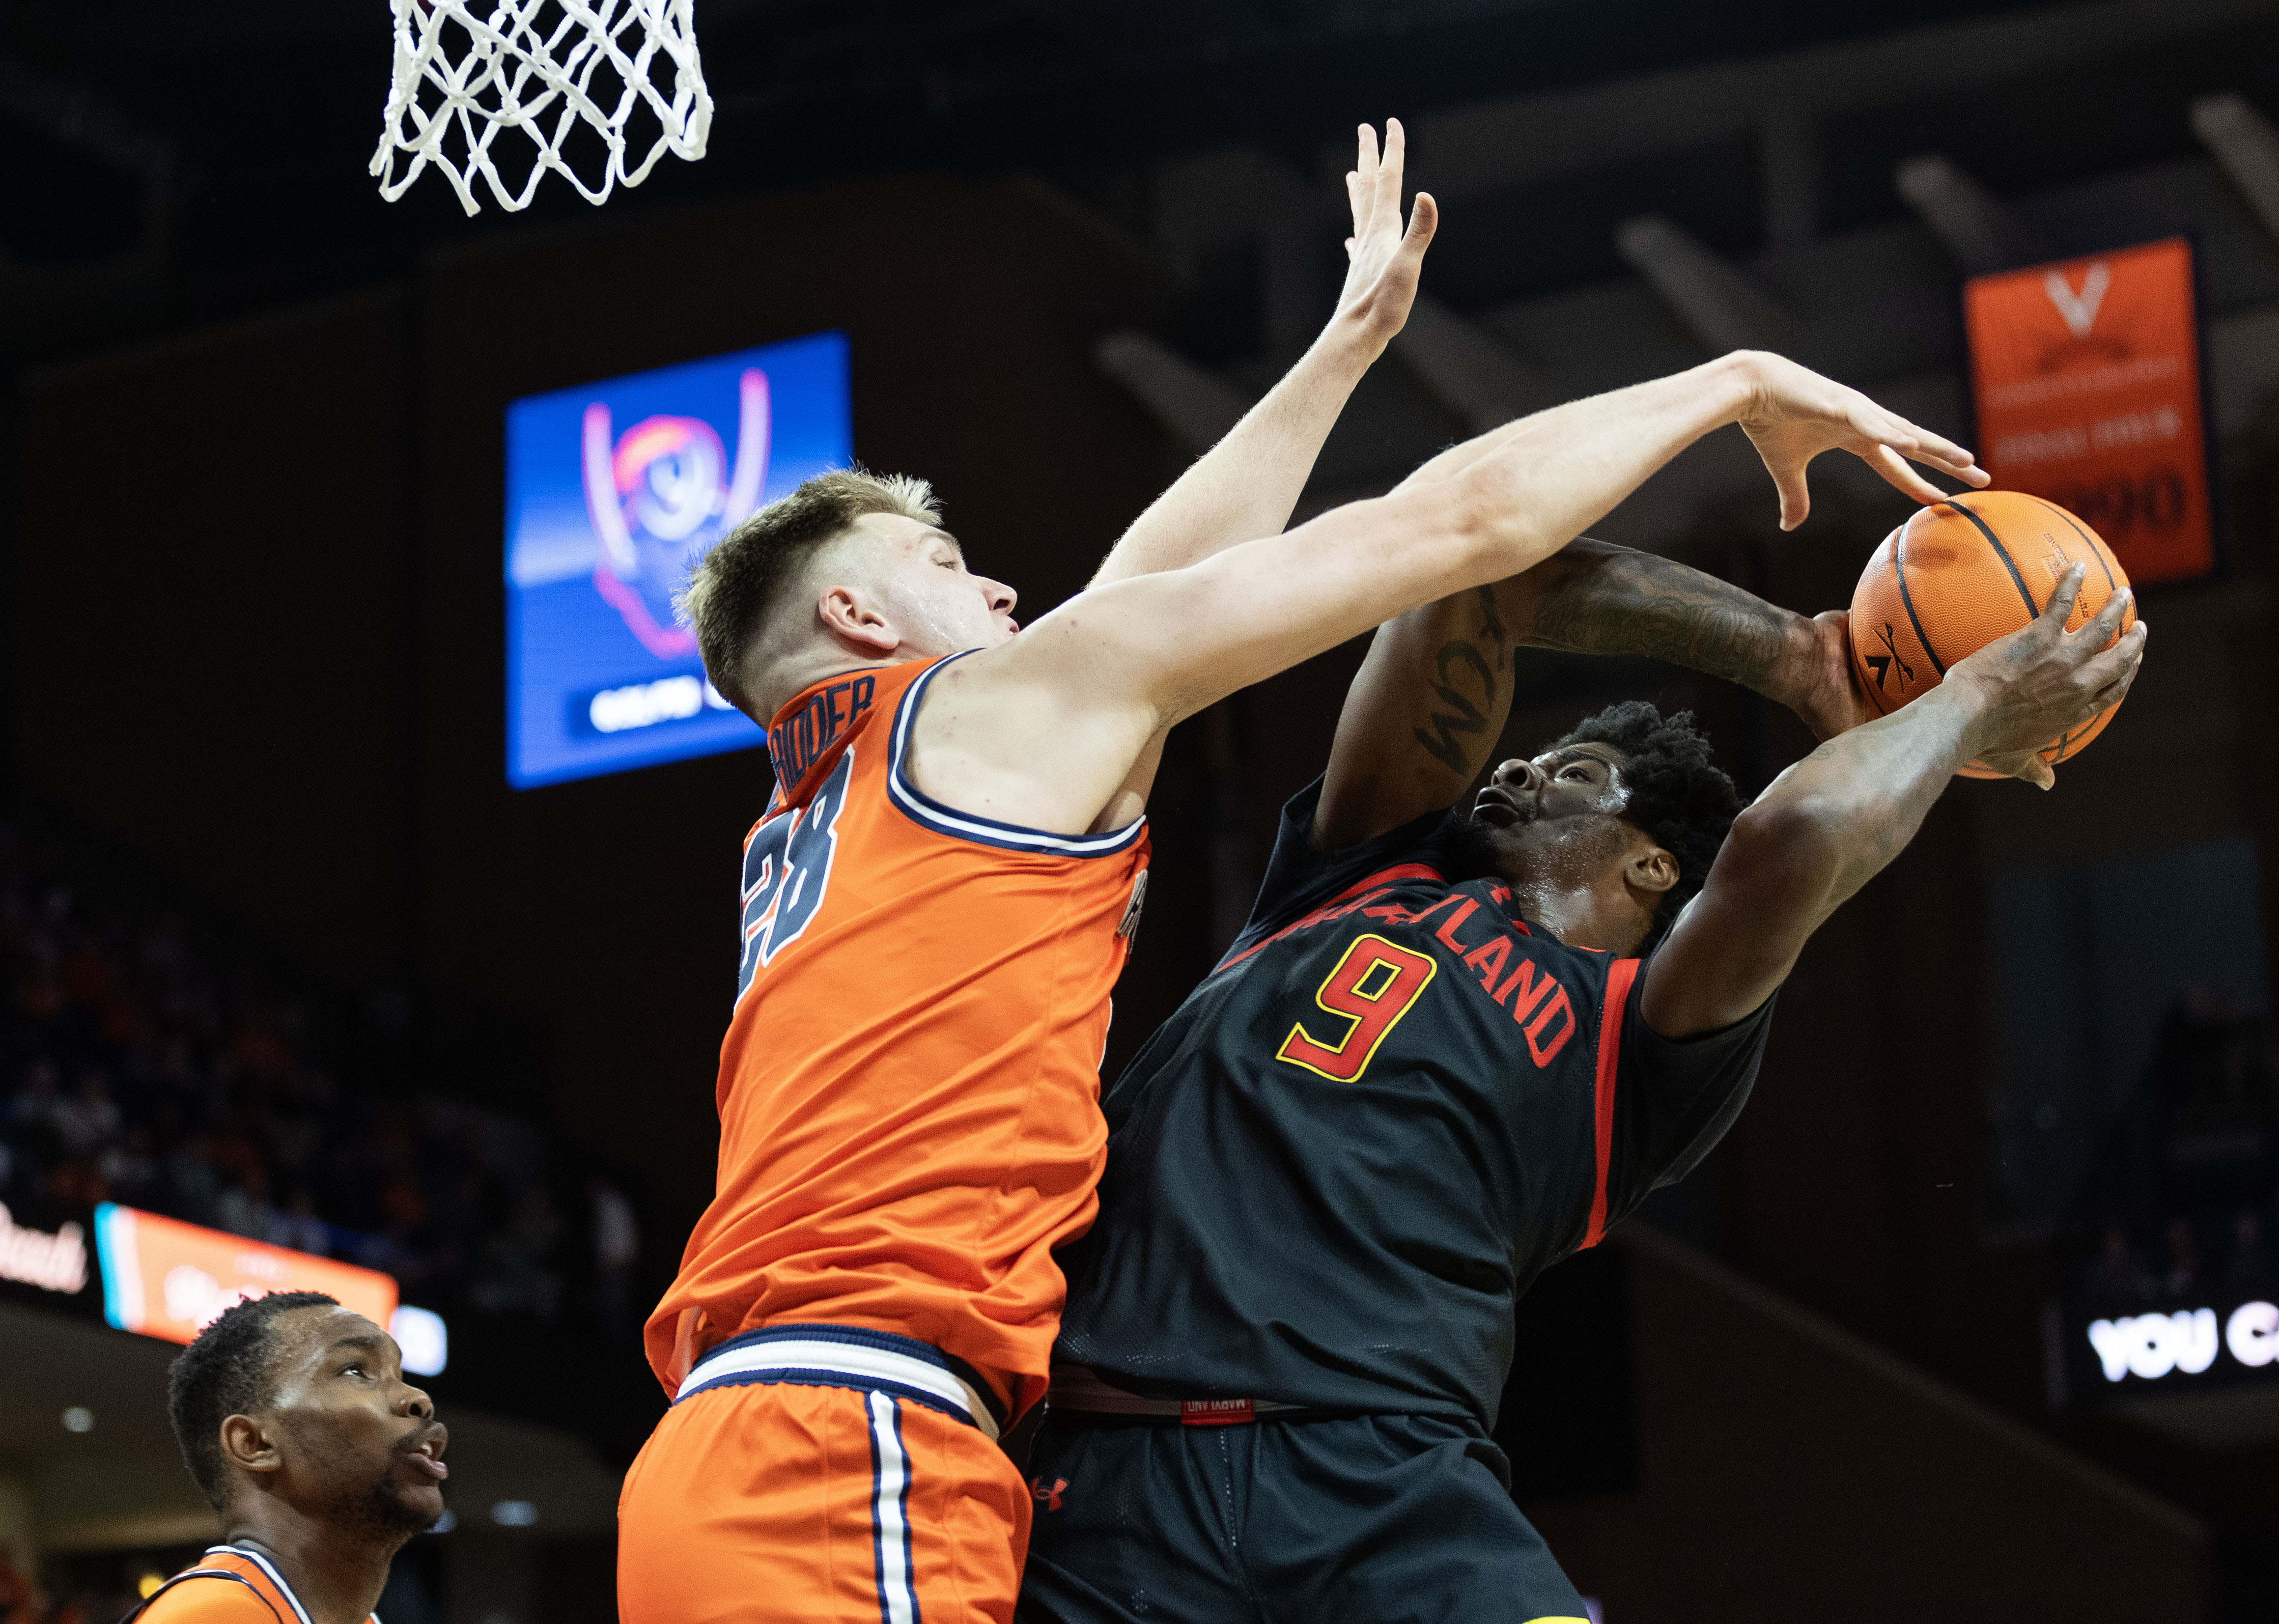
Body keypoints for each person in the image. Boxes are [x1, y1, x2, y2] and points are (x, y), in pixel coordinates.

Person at [614, 114, 1984, 1622]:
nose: (999, 582)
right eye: (941, 564)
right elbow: (1459, 531)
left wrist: (1336, 353)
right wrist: (1737, 377)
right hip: (855, 1436)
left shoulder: (853, 786)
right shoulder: (994, 714)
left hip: (783, 1431)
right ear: (862, 620)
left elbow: (1146, 597)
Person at [1022, 486, 2140, 1622]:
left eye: (1570, 772)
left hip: (1384, 1486)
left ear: (1654, 869)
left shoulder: (1641, 1038)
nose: (1511, 769)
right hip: (1113, 1473)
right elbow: (1475, 586)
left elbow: (1790, 837)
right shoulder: (1359, 867)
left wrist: (1971, 701)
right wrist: (1797, 658)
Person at [131, 1292, 446, 1623]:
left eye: (399, 1375)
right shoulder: (212, 1615)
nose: (419, 1398)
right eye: (356, 1371)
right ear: (254, 1444)